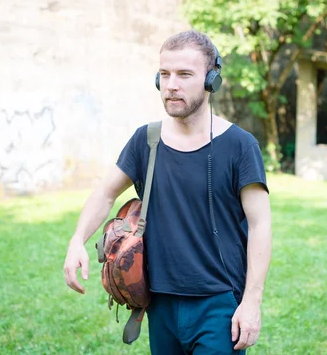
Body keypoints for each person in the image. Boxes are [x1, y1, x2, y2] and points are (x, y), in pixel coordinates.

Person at [63, 30, 272, 354]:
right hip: (159, 302)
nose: (171, 84)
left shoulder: (240, 146)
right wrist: (77, 239)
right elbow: (105, 193)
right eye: (164, 74)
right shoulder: (146, 140)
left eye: (184, 74)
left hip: (219, 304)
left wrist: (251, 303)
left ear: (211, 79)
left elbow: (260, 225)